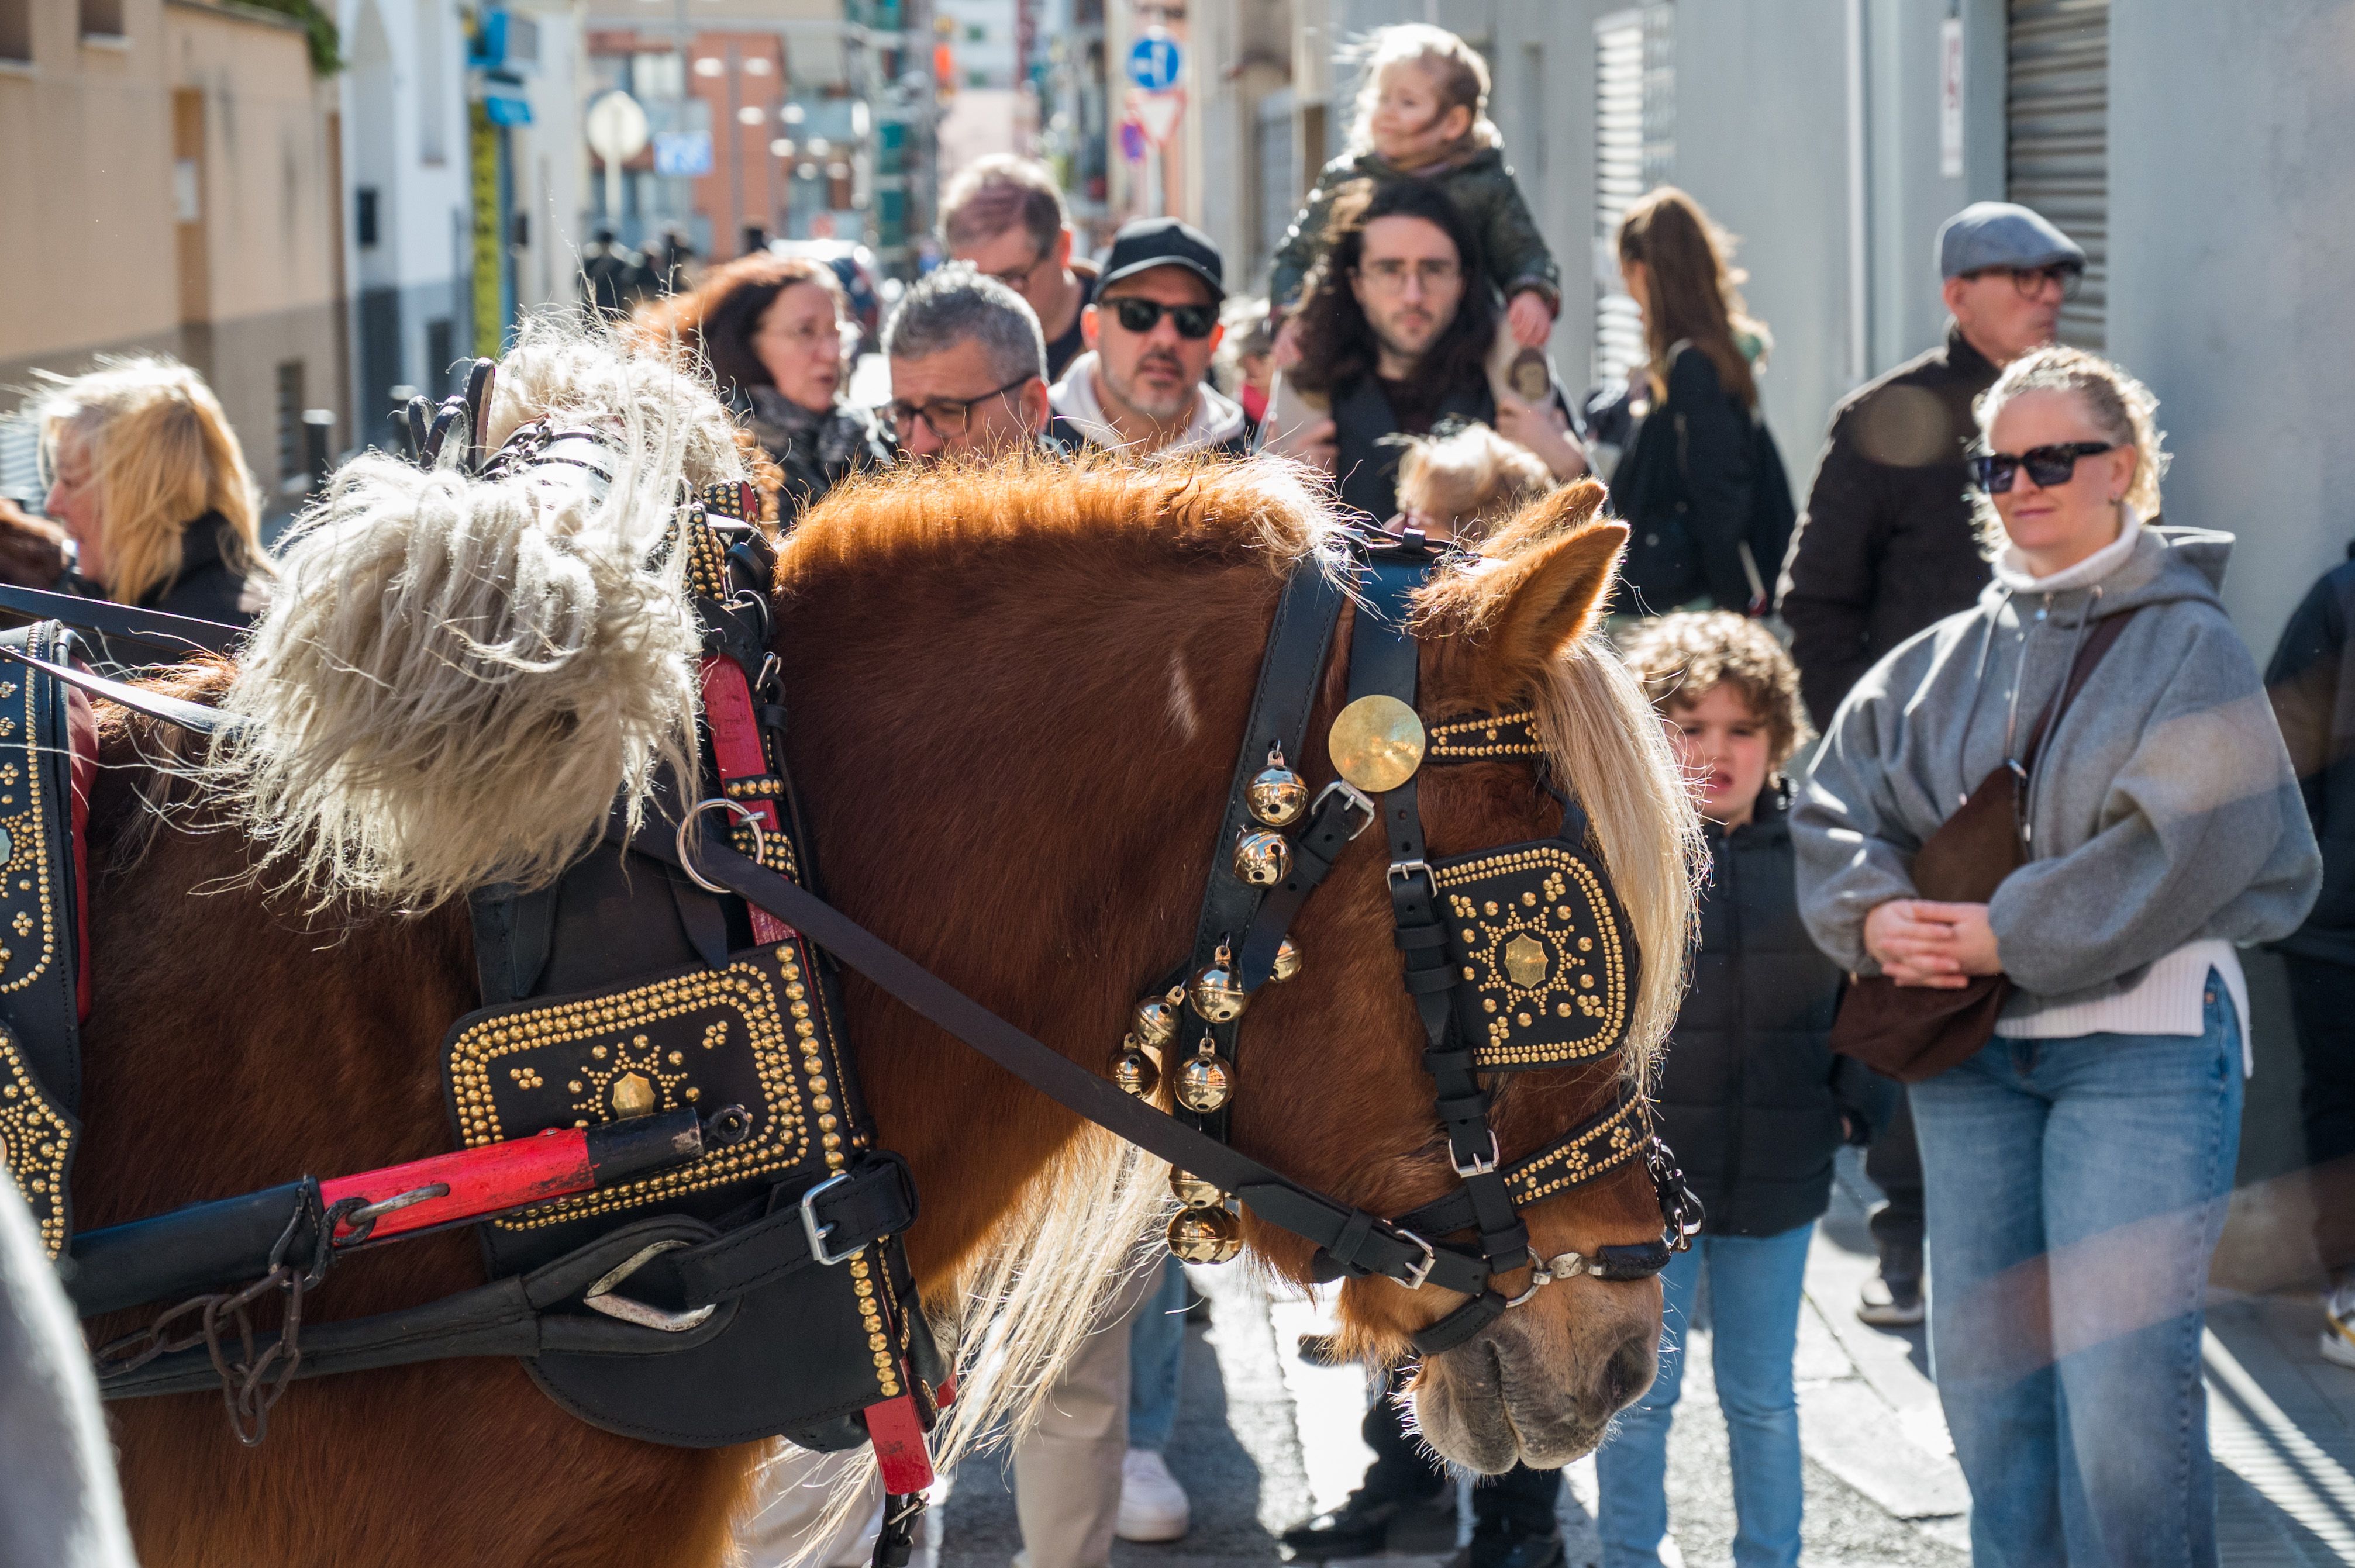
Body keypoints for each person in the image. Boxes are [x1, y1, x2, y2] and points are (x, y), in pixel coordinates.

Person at [1792, 347, 2320, 1567]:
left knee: (2122, 1392)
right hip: (1971, 1061)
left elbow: (2198, 838)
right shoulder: (1940, 658)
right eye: (1995, 465)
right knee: (1987, 1385)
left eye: (2050, 459)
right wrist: (1873, 915)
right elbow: (1831, 804)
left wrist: (2005, 932)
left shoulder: (2190, 645)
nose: (2019, 486)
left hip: (2140, 1051)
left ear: (2121, 466)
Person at [1774, 199, 2085, 1330]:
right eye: (2019, 274)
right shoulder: (1890, 415)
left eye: (2059, 273)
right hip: (1923, 783)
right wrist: (1868, 757)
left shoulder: (2083, 416)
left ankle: (2038, 1253)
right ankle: (1906, 1243)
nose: (2046, 291)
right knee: (1924, 1005)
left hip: (2064, 776)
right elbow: (1816, 603)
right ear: (1956, 294)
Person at [1278, 446, 1568, 1568]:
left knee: (1519, 1288)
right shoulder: (1384, 674)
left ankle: (1514, 1526)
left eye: (1450, 527)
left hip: (1508, 1048)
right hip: (1424, 1028)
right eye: (1408, 518)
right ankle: (1395, 1480)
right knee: (1408, 1274)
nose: (1415, 546)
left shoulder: (1526, 695)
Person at [1598, 612, 1884, 1568]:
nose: (1714, 751)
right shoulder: (1615, 848)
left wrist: (1851, 1106)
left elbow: (1870, 989)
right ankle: (1629, 1553)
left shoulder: (1823, 850)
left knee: (1762, 1393)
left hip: (1779, 1176)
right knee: (1637, 1398)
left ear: (1777, 738)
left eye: (1740, 730)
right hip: (1642, 1187)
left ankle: (1772, 1554)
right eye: (1687, 725)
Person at [1267, 179, 1582, 524]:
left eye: (1433, 269)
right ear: (1357, 283)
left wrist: (1570, 470)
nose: (1413, 295)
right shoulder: (1314, 383)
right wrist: (1279, 490)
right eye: (1390, 270)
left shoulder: (1507, 386)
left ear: (1462, 281)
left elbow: (1604, 552)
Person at [1267, 23, 1557, 355]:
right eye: (1382, 98)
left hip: (1463, 346)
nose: (1387, 112)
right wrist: (1290, 314)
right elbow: (1296, 254)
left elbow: (1524, 253)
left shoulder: (1483, 184)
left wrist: (1531, 293)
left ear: (1454, 123)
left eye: (1407, 102)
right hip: (1357, 346)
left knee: (1521, 380)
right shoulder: (1348, 180)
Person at [1604, 188, 1792, 617]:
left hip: (1689, 610)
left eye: (1626, 277)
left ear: (1643, 273)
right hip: (1697, 600)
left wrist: (1730, 618)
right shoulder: (1717, 357)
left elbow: (1719, 501)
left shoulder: (1693, 367)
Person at [2262, 551, 2355, 1365]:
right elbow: (2280, 754)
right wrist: (2321, 876)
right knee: (2339, 1099)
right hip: (2336, 927)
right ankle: (2349, 1283)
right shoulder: (2337, 596)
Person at [639, 251, 892, 519]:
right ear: (748, 345)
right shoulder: (713, 456)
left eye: (835, 332)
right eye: (805, 331)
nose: (831, 352)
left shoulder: (864, 439)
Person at [34, 355, 270, 628]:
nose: (53, 505)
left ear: (141, 498)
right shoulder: (95, 601)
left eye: (71, 482)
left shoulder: (230, 636)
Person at [1046, 218, 1249, 460]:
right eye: (1138, 313)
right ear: (1093, 328)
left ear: (1214, 341)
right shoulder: (1023, 451)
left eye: (1192, 319)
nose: (1166, 339)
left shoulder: (1253, 479)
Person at [938, 156, 1098, 381]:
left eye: (1012, 278)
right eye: (976, 286)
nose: (992, 304)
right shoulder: (951, 353)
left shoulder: (1133, 330)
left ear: (1063, 247)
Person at [880, 264, 1054, 462]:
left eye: (948, 412)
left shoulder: (1092, 493)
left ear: (1032, 406)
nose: (919, 447)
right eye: (903, 413)